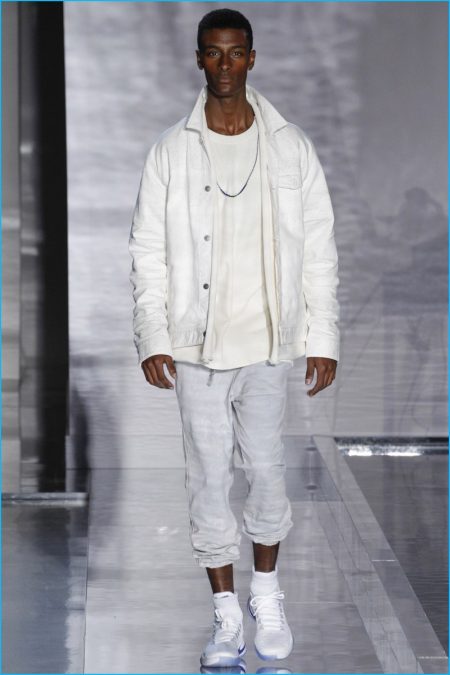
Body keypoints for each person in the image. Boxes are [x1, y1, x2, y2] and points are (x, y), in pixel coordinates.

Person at [128, 7, 339, 667]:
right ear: (199, 58)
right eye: (213, 53)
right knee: (208, 478)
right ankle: (225, 614)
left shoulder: (291, 146)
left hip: (269, 343)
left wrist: (323, 335)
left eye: (235, 52)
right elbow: (147, 251)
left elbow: (319, 249)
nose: (225, 64)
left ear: (252, 57)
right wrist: (153, 335)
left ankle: (266, 595)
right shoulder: (170, 150)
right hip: (196, 347)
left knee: (269, 472)